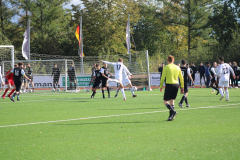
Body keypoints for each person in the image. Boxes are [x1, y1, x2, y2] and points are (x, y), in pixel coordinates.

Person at [160, 55, 184, 121]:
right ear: (173, 60)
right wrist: (182, 87)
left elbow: (162, 78)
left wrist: (161, 86)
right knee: (172, 101)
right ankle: (171, 116)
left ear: (167, 60)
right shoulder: (177, 67)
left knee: (165, 102)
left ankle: (173, 111)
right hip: (176, 85)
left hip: (169, 84)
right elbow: (181, 78)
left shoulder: (166, 67)